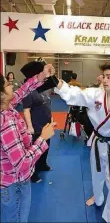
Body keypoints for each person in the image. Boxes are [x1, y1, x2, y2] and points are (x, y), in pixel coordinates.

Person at [54, 63, 110, 223]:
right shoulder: (95, 94)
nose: (105, 80)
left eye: (109, 77)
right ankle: (98, 198)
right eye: (104, 76)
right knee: (96, 175)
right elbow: (75, 94)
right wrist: (55, 81)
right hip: (97, 141)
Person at [0, 64, 55, 223]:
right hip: (14, 185)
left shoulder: (7, 107)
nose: (12, 85)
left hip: (13, 182)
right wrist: (42, 138)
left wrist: (41, 76)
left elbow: (23, 90)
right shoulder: (6, 123)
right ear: (1, 94)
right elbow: (22, 163)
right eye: (7, 84)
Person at [22, 87, 53, 183]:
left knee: (46, 146)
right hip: (36, 126)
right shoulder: (29, 92)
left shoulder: (45, 90)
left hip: (46, 126)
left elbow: (48, 106)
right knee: (35, 150)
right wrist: (30, 126)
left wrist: (51, 121)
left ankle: (42, 164)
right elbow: (26, 110)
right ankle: (33, 173)